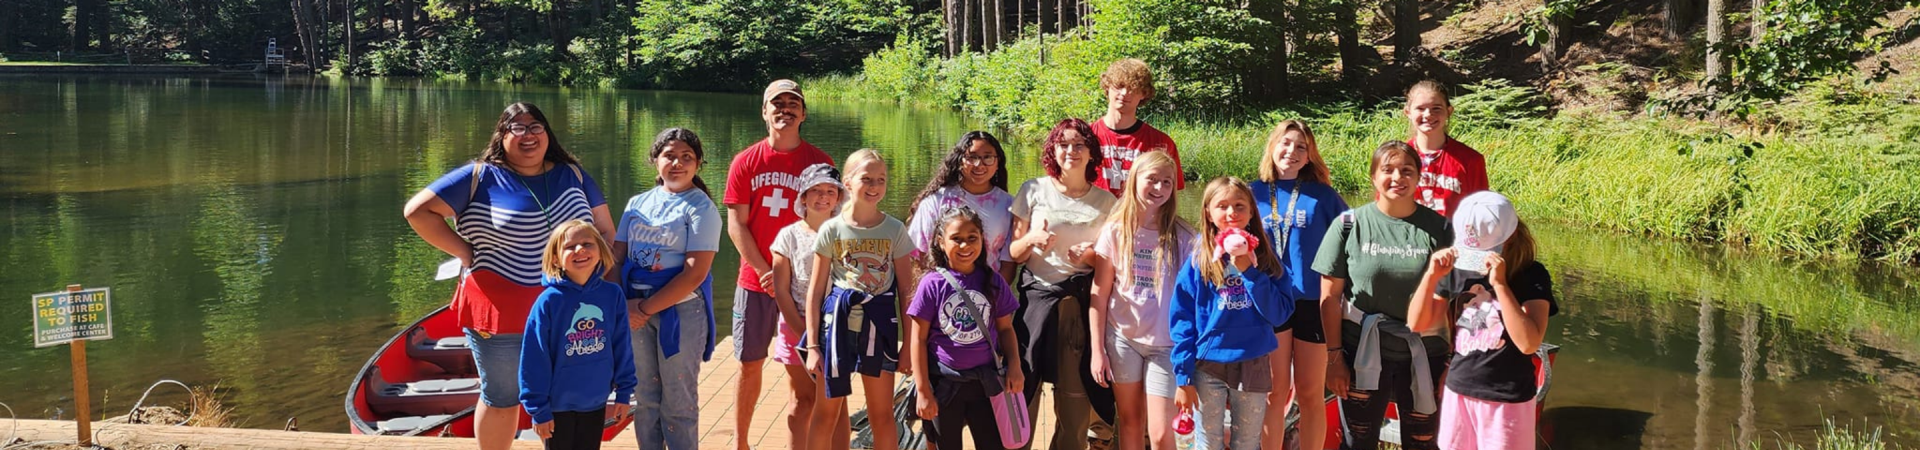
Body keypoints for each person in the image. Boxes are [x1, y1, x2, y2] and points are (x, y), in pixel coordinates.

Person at [402, 102, 615, 450]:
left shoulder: (573, 174)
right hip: (500, 309)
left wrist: (597, 287)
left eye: (536, 127)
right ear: (501, 136)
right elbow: (417, 211)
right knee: (503, 396)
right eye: (517, 128)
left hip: (568, 310)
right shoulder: (479, 176)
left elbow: (605, 231)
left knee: (565, 394)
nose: (528, 135)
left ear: (548, 133)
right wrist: (464, 252)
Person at [1315, 141, 1454, 450]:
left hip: (1426, 353)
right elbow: (1329, 297)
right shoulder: (1348, 225)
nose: (1397, 178)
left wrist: (1452, 361)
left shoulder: (1441, 229)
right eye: (1387, 170)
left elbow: (1453, 302)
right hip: (1360, 352)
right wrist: (1334, 357)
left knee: (1423, 444)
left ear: (1419, 177)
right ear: (1373, 177)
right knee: (1357, 442)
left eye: (1407, 170)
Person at [724, 79, 835, 450]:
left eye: (793, 103)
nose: (785, 109)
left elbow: (832, 223)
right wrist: (764, 271)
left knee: (805, 371)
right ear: (764, 111)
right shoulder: (746, 161)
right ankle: (741, 442)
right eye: (777, 103)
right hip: (757, 280)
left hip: (807, 283)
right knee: (749, 363)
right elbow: (736, 223)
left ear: (803, 113)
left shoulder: (820, 162)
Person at [1407, 192, 1556, 450]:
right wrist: (1431, 276)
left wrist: (1499, 284)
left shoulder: (1531, 274)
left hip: (1507, 398)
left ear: (1509, 238)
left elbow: (1529, 343)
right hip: (1459, 390)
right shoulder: (1457, 271)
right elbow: (1417, 324)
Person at [1009, 118, 1118, 450]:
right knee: (1024, 387)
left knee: (1074, 398)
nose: (1071, 151)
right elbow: (1014, 254)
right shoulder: (1033, 189)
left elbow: (1110, 264)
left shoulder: (1107, 202)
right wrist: (1032, 238)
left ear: (1091, 153)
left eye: (1079, 145)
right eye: (1063, 144)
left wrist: (1089, 257)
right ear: (1052, 151)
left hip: (1078, 303)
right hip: (1034, 301)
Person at [614, 128, 720, 449]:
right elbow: (616, 258)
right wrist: (623, 305)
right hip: (634, 308)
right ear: (654, 160)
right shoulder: (636, 204)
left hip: (680, 310)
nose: (677, 163)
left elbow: (694, 273)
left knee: (678, 400)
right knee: (645, 395)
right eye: (669, 155)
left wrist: (644, 309)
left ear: (698, 164)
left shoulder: (700, 209)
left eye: (687, 157)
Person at [802, 149, 915, 450]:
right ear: (848, 182)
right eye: (866, 178)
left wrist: (908, 348)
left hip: (880, 329)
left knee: (882, 415)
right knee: (826, 413)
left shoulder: (895, 230)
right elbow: (815, 292)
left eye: (881, 179)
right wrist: (813, 346)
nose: (874, 186)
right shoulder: (831, 229)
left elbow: (907, 292)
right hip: (836, 329)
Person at [1170, 176, 1292, 450]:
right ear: (1208, 213)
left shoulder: (1266, 255)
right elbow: (1182, 320)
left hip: (1253, 359)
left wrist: (1249, 271)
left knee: (1247, 442)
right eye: (1222, 206)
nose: (1231, 213)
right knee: (1208, 442)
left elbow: (1280, 314)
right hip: (1207, 364)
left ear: (1251, 212)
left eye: (1239, 206)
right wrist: (1183, 377)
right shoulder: (1198, 257)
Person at [1250, 120, 1348, 450]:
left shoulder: (1323, 196)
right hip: (1269, 299)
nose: (1291, 152)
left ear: (1309, 157)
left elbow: (1349, 241)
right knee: (1274, 393)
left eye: (1301, 147)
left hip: (1311, 301)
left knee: (1309, 393)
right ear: (1272, 147)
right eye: (1286, 143)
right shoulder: (1252, 193)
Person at [1087, 152, 1194, 450]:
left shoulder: (1185, 237)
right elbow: (1099, 294)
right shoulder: (1115, 231)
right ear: (1135, 179)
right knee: (1130, 422)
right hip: (1123, 340)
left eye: (1167, 182)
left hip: (1166, 345)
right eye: (1152, 179)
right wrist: (1098, 351)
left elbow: (1195, 299)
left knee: (1161, 434)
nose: (1159, 188)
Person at [907, 206, 1025, 450]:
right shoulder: (932, 284)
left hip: (987, 385)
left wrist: (1015, 366)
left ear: (982, 239)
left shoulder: (993, 281)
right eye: (956, 239)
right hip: (944, 386)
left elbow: (1005, 330)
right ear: (940, 242)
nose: (964, 246)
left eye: (972, 238)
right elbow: (917, 340)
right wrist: (923, 390)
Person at [518, 219, 637, 450]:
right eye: (570, 247)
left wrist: (624, 393)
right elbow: (534, 358)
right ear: (555, 258)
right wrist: (538, 409)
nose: (580, 250)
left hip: (595, 400)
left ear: (601, 251)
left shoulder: (612, 295)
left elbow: (622, 346)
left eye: (587, 243)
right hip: (557, 406)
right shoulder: (549, 301)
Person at [769, 163, 851, 448]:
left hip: (838, 327)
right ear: (803, 197)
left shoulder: (848, 233)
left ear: (839, 197)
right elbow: (781, 290)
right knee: (803, 401)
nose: (823, 197)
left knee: (836, 402)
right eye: (815, 190)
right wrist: (806, 334)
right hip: (797, 326)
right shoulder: (788, 236)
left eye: (830, 191)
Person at [908, 131, 1016, 281]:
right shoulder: (936, 201)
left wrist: (996, 297)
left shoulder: (1009, 205)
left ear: (998, 162)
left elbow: (1008, 263)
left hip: (989, 292)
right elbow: (919, 256)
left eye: (988, 157)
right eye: (972, 157)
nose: (979, 165)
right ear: (960, 161)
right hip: (942, 291)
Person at [1091, 58, 1185, 197]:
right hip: (1095, 216)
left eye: (1133, 88)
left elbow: (1169, 197)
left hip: (1139, 217)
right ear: (1107, 86)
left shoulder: (1161, 143)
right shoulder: (1085, 137)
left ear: (1144, 94)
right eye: (1119, 86)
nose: (1124, 93)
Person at [1404, 80, 1488, 218]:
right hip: (1407, 237)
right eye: (1420, 108)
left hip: (1453, 237)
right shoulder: (1397, 158)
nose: (1428, 115)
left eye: (1436, 108)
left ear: (1449, 111)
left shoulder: (1470, 160)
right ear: (1408, 112)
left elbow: (1481, 212)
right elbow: (1385, 209)